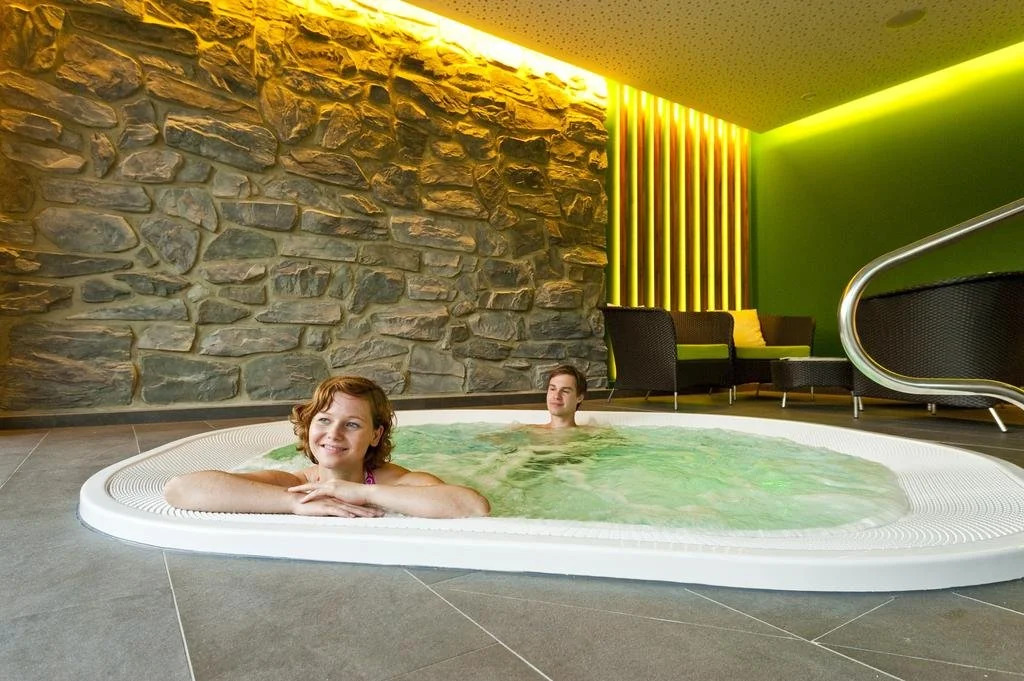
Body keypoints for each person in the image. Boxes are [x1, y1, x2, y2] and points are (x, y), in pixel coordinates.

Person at [163, 375, 490, 518]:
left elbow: (473, 506)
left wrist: (362, 492)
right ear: (309, 426)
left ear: (375, 435)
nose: (333, 434)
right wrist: (292, 504)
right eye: (324, 420)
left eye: (352, 424)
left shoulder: (394, 481)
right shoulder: (295, 484)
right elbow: (180, 489)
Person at [543, 364, 588, 428]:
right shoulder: (530, 431)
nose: (556, 396)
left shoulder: (594, 433)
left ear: (580, 398)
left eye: (565, 391)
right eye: (552, 389)